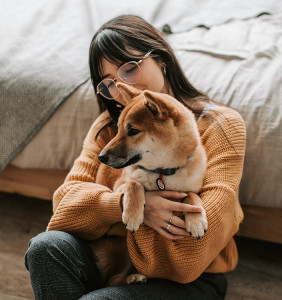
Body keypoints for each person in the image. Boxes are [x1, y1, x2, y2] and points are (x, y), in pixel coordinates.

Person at [24, 15, 246, 300]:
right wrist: (126, 204)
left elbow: (191, 255)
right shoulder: (111, 126)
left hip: (191, 281)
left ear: (161, 59)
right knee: (45, 248)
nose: (119, 89)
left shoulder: (222, 126)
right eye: (108, 83)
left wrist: (112, 219)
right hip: (115, 262)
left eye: (129, 69)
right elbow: (64, 206)